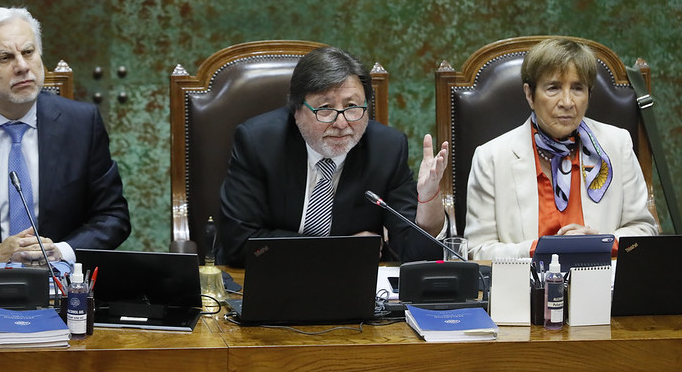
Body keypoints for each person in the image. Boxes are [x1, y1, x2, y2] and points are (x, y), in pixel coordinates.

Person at [218, 46, 449, 267]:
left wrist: (428, 202)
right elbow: (240, 244)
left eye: (352, 106)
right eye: (325, 108)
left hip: (353, 287)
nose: (341, 123)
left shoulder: (386, 149)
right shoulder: (259, 143)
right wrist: (339, 250)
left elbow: (416, 256)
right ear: (296, 110)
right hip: (271, 277)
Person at [0, 7, 131, 270]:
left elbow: (113, 217)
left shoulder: (81, 124)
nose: (22, 66)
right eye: (5, 57)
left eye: (28, 52)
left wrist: (60, 251)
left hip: (60, 286)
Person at [464, 38, 658, 260]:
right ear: (529, 94)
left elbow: (643, 231)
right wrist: (539, 249)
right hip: (527, 289)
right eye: (553, 88)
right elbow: (477, 251)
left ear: (589, 94)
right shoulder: (491, 158)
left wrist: (598, 243)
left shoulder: (617, 144)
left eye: (577, 88)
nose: (567, 101)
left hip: (601, 284)